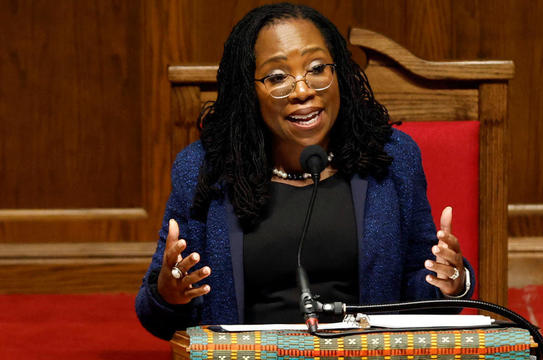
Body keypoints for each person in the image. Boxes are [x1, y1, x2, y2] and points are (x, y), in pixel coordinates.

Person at [135, 2, 475, 340]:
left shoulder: (391, 159)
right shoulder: (204, 169)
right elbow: (157, 315)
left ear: (338, 71)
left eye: (316, 68)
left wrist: (451, 281)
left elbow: (418, 299)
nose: (303, 90)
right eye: (278, 77)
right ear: (247, 91)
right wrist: (169, 295)